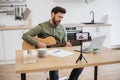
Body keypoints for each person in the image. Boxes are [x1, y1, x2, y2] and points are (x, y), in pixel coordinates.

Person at [22, 6, 83, 80]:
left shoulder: (62, 29)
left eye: (62, 18)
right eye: (59, 17)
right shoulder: (42, 26)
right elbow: (25, 36)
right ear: (52, 14)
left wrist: (67, 45)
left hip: (59, 53)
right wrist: (38, 43)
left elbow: (65, 44)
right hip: (45, 55)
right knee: (54, 65)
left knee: (81, 63)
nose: (60, 20)